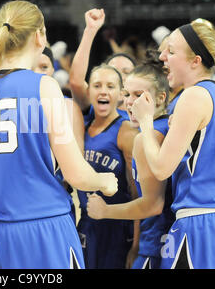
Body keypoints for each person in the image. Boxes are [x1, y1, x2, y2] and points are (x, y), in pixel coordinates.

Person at [0, 0, 118, 269]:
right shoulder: (43, 86)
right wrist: (104, 182)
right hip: (40, 228)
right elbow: (76, 174)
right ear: (39, 36)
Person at [131, 21, 215, 268]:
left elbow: (161, 169)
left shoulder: (193, 96)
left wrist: (146, 122)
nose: (162, 56)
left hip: (200, 223)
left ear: (195, 61)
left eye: (171, 52)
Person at [87, 50, 175, 269]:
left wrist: (105, 211)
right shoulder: (169, 126)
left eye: (138, 95)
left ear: (161, 98)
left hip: (156, 242)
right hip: (169, 237)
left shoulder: (147, 137)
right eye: (127, 94)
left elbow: (153, 204)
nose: (130, 102)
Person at [76, 64, 139, 269]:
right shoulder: (81, 126)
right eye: (97, 85)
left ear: (121, 94)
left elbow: (137, 193)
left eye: (110, 86)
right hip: (87, 224)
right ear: (89, 92)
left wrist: (136, 245)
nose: (103, 90)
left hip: (118, 228)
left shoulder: (127, 130)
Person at [33, 46, 85, 224]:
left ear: (53, 69)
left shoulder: (69, 107)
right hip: (19, 204)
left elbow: (77, 163)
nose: (38, 73)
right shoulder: (13, 105)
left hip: (56, 203)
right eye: (33, 67)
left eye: (44, 67)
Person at [69, 9, 135, 125]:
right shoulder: (95, 107)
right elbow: (76, 81)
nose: (119, 76)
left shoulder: (147, 115)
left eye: (126, 72)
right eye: (114, 71)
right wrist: (90, 30)